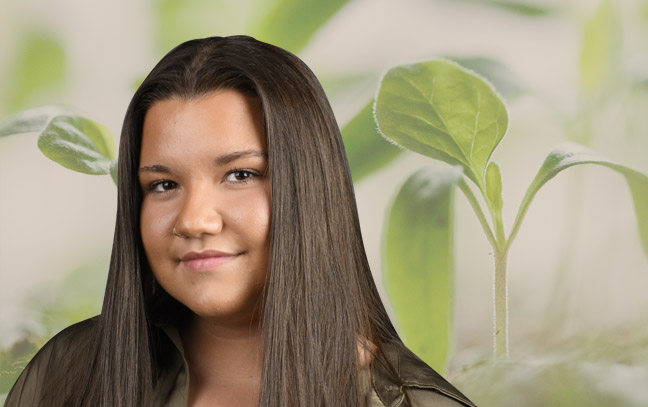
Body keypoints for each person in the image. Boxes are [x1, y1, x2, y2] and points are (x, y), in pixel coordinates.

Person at [4, 35, 475, 407]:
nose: (194, 221)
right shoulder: (64, 374)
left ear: (311, 188)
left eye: (240, 174)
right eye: (163, 185)